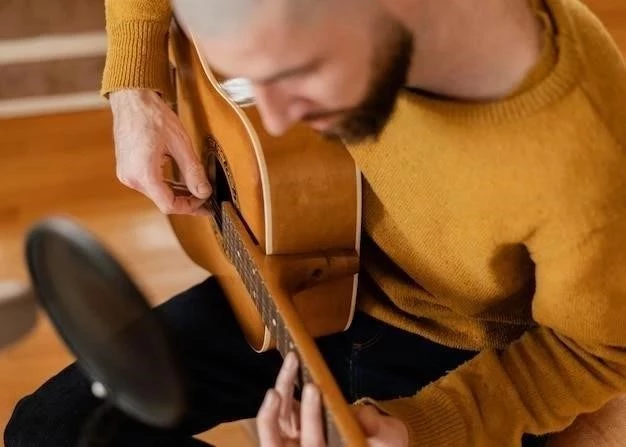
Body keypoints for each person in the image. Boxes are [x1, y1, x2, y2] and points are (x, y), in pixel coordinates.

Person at [5, 0, 626, 445]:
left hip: (460, 355)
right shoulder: (340, 37)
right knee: (47, 429)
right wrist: (136, 86)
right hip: (306, 269)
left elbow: (597, 353)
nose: (272, 121)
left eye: (290, 75)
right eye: (250, 79)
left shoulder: (587, 166)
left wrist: (426, 424)